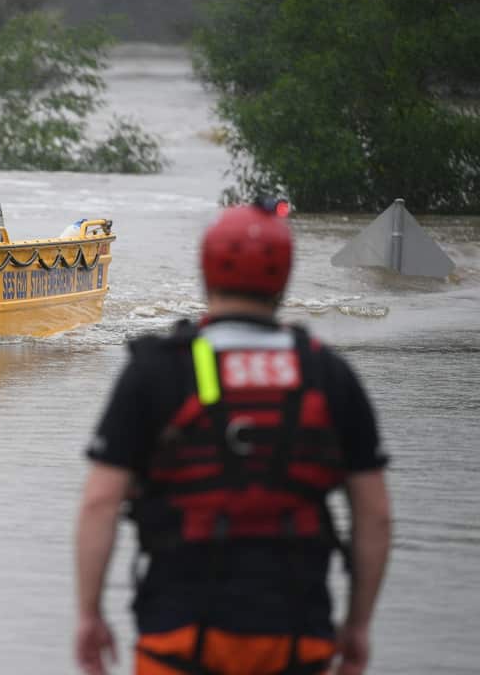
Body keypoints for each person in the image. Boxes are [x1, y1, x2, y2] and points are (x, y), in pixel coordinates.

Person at [74, 198, 392, 675]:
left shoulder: (156, 370)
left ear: (205, 271)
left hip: (177, 636)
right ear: (284, 277)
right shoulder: (327, 373)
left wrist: (89, 615)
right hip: (296, 638)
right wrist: (359, 624)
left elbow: (100, 503)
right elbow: (375, 516)